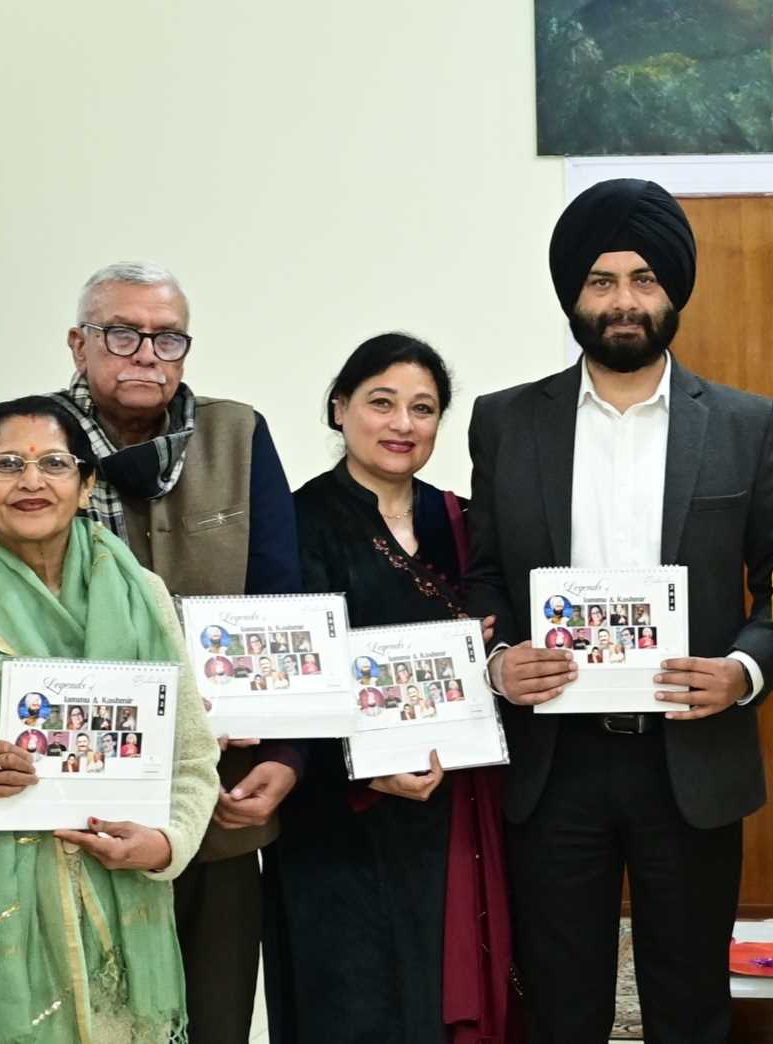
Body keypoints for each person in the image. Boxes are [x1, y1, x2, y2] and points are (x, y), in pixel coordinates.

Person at [465, 178, 773, 1044]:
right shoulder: (505, 422)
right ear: (573, 295)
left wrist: (743, 673)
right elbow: (485, 576)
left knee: (691, 1004)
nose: (623, 301)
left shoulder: (745, 424)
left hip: (690, 755)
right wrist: (497, 664)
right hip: (553, 761)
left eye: (644, 279)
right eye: (601, 280)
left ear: (673, 290)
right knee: (559, 1004)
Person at [0, 397, 225, 1044]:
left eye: (54, 463)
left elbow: (192, 758)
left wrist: (166, 844)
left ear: (86, 485)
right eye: (7, 465)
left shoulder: (143, 597)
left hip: (110, 922)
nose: (31, 481)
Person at [32, 262, 307, 1036]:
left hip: (218, 796)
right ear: (79, 343)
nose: (147, 354)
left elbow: (280, 602)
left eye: (168, 337)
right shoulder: (31, 441)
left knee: (214, 1012)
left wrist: (287, 755)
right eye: (122, 334)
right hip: (75, 797)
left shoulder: (237, 434)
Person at [258, 336, 521, 1043]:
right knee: (353, 1004)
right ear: (339, 409)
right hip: (337, 819)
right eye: (382, 402)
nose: (403, 423)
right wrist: (361, 764)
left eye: (423, 409)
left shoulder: (466, 523)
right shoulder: (292, 525)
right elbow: (283, 681)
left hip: (454, 810)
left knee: (446, 998)